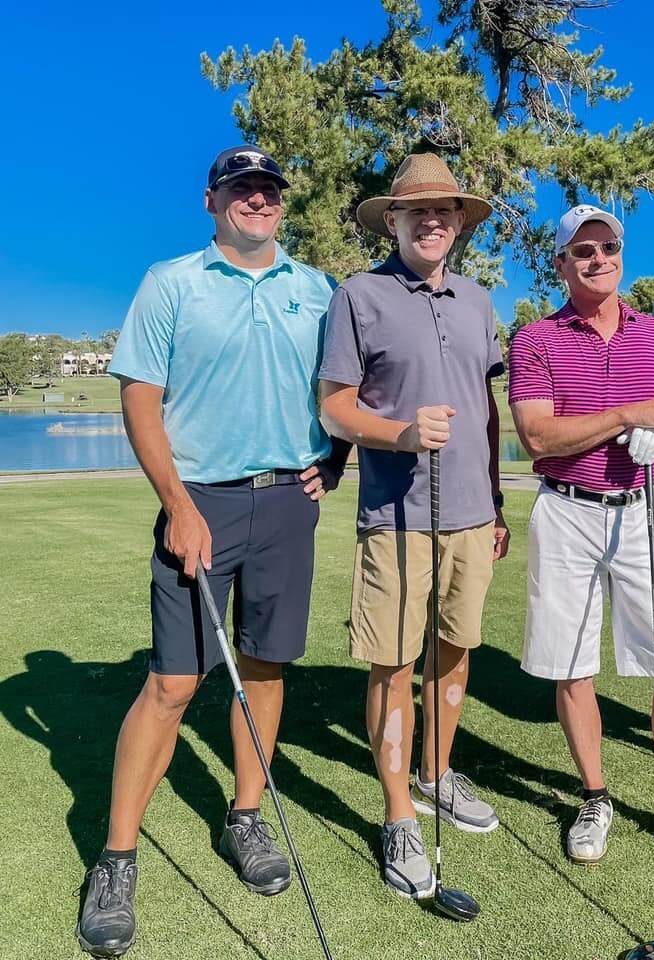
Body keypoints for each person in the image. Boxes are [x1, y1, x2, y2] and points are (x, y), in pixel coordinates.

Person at [76, 145, 350, 957]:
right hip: (199, 504)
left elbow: (339, 392)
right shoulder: (173, 281)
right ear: (213, 201)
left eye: (269, 191)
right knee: (173, 682)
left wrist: (331, 462)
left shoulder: (315, 289)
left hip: (285, 506)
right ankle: (117, 856)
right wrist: (177, 505)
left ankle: (246, 820)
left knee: (264, 670)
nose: (258, 201)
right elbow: (141, 400)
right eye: (242, 190)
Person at [318, 153, 510, 900]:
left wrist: (496, 503)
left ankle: (436, 772)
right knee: (394, 664)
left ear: (459, 224)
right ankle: (399, 813)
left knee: (456, 650)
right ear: (392, 220)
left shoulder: (480, 301)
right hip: (396, 517)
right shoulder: (359, 296)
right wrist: (398, 435)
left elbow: (487, 413)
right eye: (416, 212)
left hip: (470, 513)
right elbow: (334, 406)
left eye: (445, 212)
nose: (433, 222)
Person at [508, 204, 654, 871]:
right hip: (567, 511)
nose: (597, 260)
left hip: (642, 508)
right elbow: (539, 436)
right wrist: (630, 413)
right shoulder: (536, 339)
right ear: (561, 264)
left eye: (607, 248)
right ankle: (595, 795)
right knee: (572, 664)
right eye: (582, 251)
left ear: (620, 255)